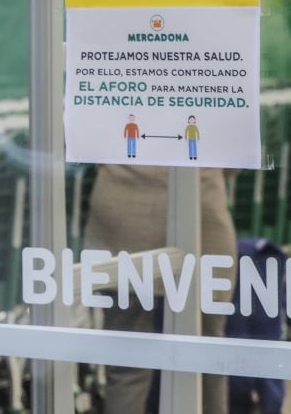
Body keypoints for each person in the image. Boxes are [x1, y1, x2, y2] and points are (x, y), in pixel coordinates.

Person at [85, 163, 237, 414]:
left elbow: (81, 142)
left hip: (122, 212)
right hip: (199, 212)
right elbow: (234, 155)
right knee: (206, 360)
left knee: (126, 364)